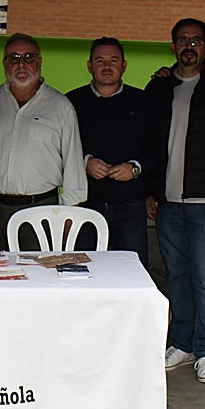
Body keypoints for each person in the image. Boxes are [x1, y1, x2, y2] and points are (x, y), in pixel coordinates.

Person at [145, 18, 205, 385]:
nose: (189, 46)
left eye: (196, 40)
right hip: (167, 202)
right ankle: (182, 343)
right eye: (183, 40)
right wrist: (151, 193)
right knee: (178, 277)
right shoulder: (160, 88)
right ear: (173, 46)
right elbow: (151, 145)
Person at [0, 33, 86, 250]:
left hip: (41, 209)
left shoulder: (60, 106)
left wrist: (68, 215)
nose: (21, 64)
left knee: (38, 275)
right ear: (4, 63)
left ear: (39, 62)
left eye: (28, 57)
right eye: (14, 58)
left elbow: (73, 162)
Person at [66, 37, 151, 266]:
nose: (106, 66)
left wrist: (135, 167)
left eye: (114, 60)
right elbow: (57, 149)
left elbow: (157, 149)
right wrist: (84, 162)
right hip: (85, 205)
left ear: (124, 65)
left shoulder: (143, 101)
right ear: (89, 65)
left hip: (131, 206)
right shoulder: (70, 102)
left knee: (133, 273)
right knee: (83, 273)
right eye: (100, 60)